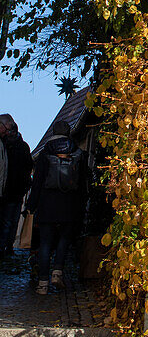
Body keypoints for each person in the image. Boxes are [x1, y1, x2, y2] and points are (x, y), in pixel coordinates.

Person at [27, 120, 87, 295]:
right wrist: (82, 203)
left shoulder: (46, 152)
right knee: (64, 239)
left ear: (53, 132)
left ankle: (43, 283)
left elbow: (37, 182)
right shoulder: (77, 153)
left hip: (47, 203)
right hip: (69, 203)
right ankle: (57, 272)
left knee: (45, 243)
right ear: (68, 133)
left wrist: (32, 204)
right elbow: (82, 182)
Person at [0, 114, 33, 256]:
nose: (8, 133)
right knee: (9, 221)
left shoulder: (13, 146)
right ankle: (5, 247)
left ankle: (7, 247)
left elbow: (28, 166)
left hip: (14, 190)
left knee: (10, 221)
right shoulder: (9, 145)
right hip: (10, 189)